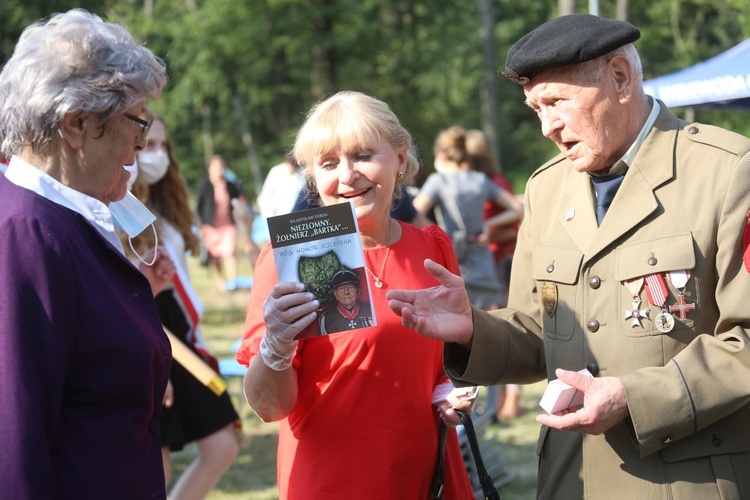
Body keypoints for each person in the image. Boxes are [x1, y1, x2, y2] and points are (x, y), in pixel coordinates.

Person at [386, 14, 750, 499]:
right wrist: (473, 329)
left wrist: (634, 398)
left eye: (557, 102)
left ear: (620, 78)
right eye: (536, 107)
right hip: (569, 478)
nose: (547, 127)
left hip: (686, 482)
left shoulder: (728, 173)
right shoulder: (546, 187)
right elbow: (540, 331)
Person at [236, 91, 473, 499]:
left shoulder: (433, 247)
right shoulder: (285, 260)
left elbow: (441, 363)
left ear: (400, 159)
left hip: (426, 472)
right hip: (333, 479)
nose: (347, 176)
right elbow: (268, 407)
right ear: (313, 175)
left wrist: (448, 390)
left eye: (363, 155)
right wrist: (275, 345)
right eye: (328, 163)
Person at [0, 9, 172, 498]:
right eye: (136, 124)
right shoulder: (26, 234)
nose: (141, 145)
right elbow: (14, 447)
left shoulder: (61, 219)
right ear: (77, 125)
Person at [123, 109, 240, 499]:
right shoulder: (114, 205)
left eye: (161, 146)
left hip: (178, 324)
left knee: (222, 444)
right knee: (156, 459)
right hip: (146, 323)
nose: (155, 155)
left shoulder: (168, 202)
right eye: (146, 145)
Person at [413, 125, 523, 309]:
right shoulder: (480, 180)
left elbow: (414, 213)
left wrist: (437, 234)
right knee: (492, 322)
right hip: (484, 263)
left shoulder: (439, 181)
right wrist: (489, 224)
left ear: (441, 155)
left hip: (455, 261)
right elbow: (516, 207)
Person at [464, 128, 523, 421]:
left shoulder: (493, 181)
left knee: (504, 329)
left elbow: (517, 217)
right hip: (482, 266)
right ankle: (495, 403)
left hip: (499, 263)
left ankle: (510, 400)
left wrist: (491, 230)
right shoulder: (468, 183)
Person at [196, 154, 242, 290]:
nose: (219, 170)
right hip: (210, 227)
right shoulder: (204, 186)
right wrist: (200, 226)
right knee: (215, 256)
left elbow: (239, 203)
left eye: (221, 166)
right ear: (210, 169)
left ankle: (232, 281)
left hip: (228, 226)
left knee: (230, 252)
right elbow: (199, 207)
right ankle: (221, 281)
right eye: (216, 167)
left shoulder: (231, 186)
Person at [318, 268, 374, 334]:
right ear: (335, 294)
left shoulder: (371, 310)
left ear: (358, 291)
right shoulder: (326, 319)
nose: (346, 292)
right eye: (341, 288)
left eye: (350, 287)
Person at [256, 151, 306, 218]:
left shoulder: (302, 173)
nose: (293, 169)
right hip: (280, 215)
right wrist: (270, 217)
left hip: (298, 215)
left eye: (295, 167)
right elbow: (265, 197)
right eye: (291, 166)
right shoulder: (276, 172)